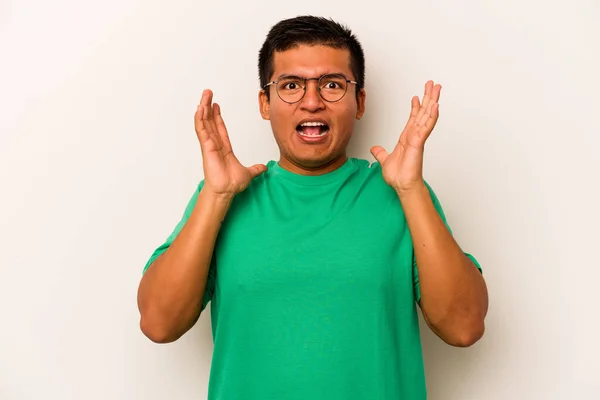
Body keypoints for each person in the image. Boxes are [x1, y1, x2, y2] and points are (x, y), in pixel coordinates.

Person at [137, 15, 488, 400]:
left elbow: (464, 326)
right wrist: (217, 195)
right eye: (290, 86)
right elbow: (159, 323)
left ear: (360, 102)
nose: (311, 102)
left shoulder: (401, 193)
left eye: (332, 85)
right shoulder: (223, 195)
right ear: (265, 103)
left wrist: (410, 189)